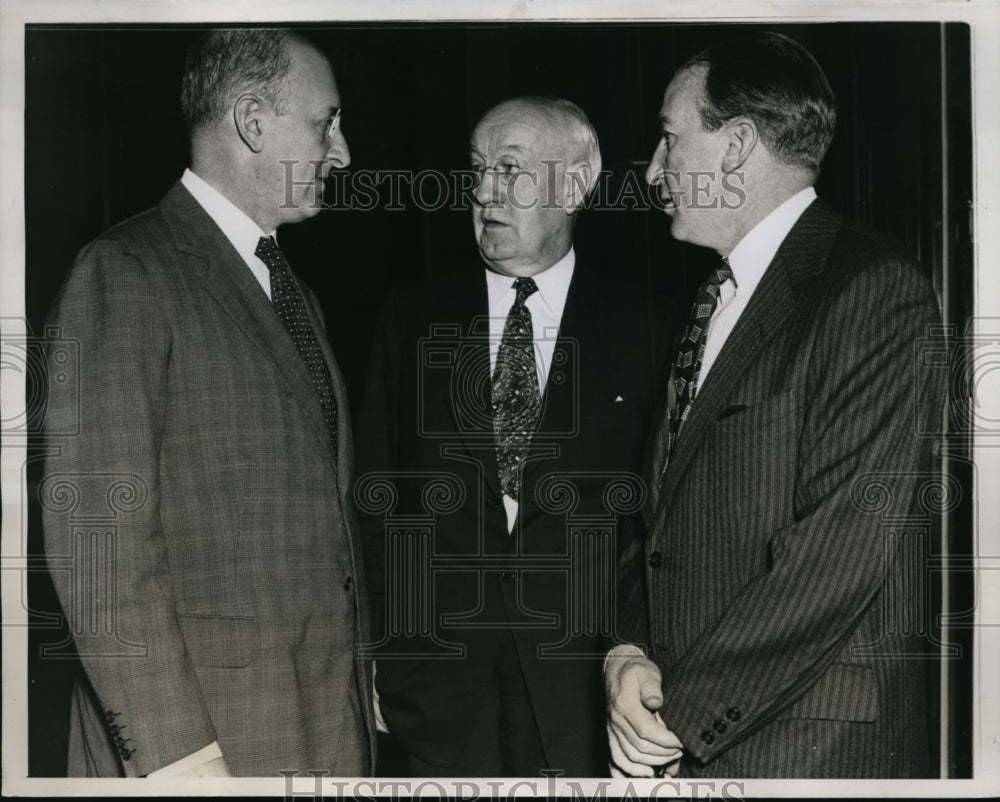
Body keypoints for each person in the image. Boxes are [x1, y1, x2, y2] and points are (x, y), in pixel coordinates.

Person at [605, 33, 944, 778]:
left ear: (736, 146)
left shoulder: (871, 290)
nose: (655, 170)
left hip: (805, 752)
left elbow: (840, 553)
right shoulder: (712, 300)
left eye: (669, 138)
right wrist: (628, 651)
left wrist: (680, 716)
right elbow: (659, 521)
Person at [41, 28, 373, 777]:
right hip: (205, 746)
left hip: (316, 724)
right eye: (326, 123)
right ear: (253, 121)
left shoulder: (294, 294)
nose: (343, 152)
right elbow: (99, 542)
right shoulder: (125, 273)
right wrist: (178, 755)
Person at [356, 97, 671, 777]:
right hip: (435, 693)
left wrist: (636, 651)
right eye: (476, 171)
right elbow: (375, 501)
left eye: (510, 169)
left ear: (577, 182)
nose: (484, 192)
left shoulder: (651, 331)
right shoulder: (411, 316)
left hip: (586, 692)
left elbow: (656, 525)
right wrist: (382, 656)